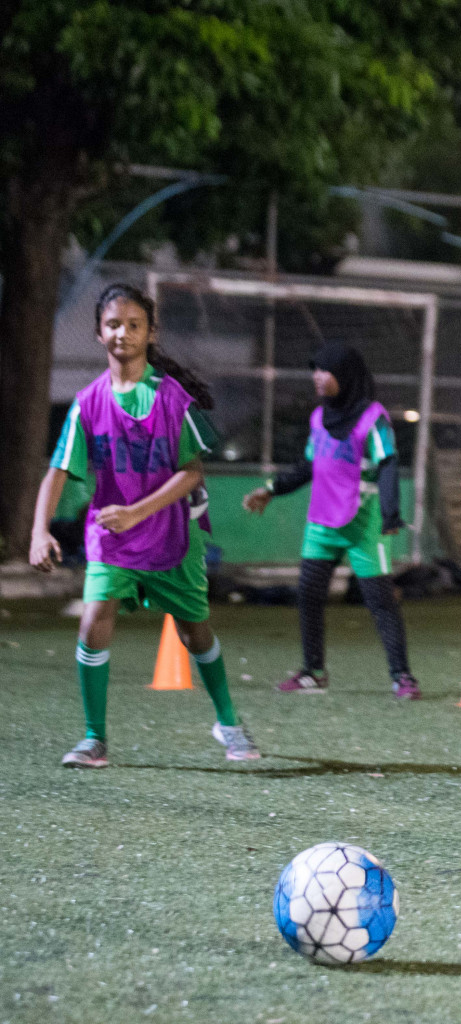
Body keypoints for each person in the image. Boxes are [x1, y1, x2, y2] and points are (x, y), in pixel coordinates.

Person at [30, 283, 260, 767]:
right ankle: (94, 739)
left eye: (134, 325)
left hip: (171, 538)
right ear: (98, 333)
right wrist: (40, 531)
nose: (123, 333)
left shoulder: (172, 398)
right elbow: (57, 471)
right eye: (113, 325)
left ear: (150, 333)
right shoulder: (87, 402)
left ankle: (230, 723)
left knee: (195, 632)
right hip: (112, 538)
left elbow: (193, 472)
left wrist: (137, 512)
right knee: (93, 623)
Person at [242, 343, 419, 699]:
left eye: (325, 371)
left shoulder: (373, 417)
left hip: (363, 523)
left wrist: (391, 514)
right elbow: (310, 465)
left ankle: (403, 677)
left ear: (345, 375)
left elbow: (387, 465)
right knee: (308, 594)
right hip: (322, 523)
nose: (317, 378)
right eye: (315, 370)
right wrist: (271, 489)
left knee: (380, 600)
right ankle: (313, 672)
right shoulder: (319, 417)